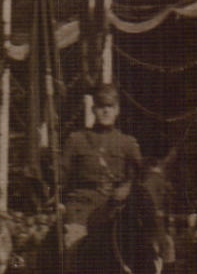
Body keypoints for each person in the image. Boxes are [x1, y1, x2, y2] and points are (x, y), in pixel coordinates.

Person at [58, 82, 142, 249]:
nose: (105, 111)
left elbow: (141, 178)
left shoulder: (127, 143)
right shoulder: (76, 140)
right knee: (73, 248)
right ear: (93, 109)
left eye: (110, 106)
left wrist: (127, 187)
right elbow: (62, 175)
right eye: (101, 106)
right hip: (82, 208)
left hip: (115, 209)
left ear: (117, 110)